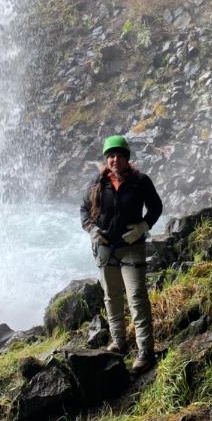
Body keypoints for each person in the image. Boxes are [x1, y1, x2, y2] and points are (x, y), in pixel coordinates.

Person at [80, 134, 163, 372]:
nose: (115, 160)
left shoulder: (140, 181)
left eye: (119, 155)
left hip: (131, 247)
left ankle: (145, 351)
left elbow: (156, 207)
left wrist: (143, 227)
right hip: (105, 247)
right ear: (107, 159)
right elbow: (84, 209)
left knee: (137, 296)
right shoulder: (97, 183)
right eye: (111, 156)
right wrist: (91, 230)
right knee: (112, 296)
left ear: (127, 158)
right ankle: (119, 342)